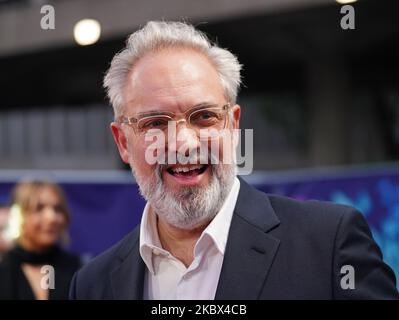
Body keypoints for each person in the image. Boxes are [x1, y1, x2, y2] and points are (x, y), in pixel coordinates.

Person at [69, 21, 399, 299]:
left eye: (203, 116)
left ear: (233, 124)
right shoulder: (91, 286)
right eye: (155, 123)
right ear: (123, 142)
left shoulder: (329, 245)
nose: (184, 143)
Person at [0, 180, 81, 300]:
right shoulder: (4, 269)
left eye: (57, 209)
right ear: (19, 215)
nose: (51, 218)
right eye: (39, 208)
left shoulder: (77, 271)